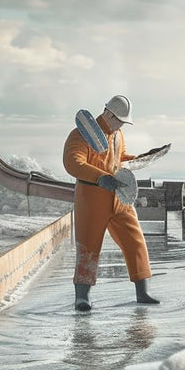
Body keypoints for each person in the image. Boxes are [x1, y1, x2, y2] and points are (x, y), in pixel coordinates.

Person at [63, 94, 160, 311]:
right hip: (92, 197)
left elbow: (119, 158)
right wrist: (99, 177)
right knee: (88, 247)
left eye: (123, 122)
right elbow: (72, 162)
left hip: (119, 195)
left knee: (135, 241)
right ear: (107, 113)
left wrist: (142, 158)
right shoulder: (81, 134)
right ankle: (82, 297)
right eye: (119, 121)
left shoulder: (117, 135)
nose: (121, 125)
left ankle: (143, 292)